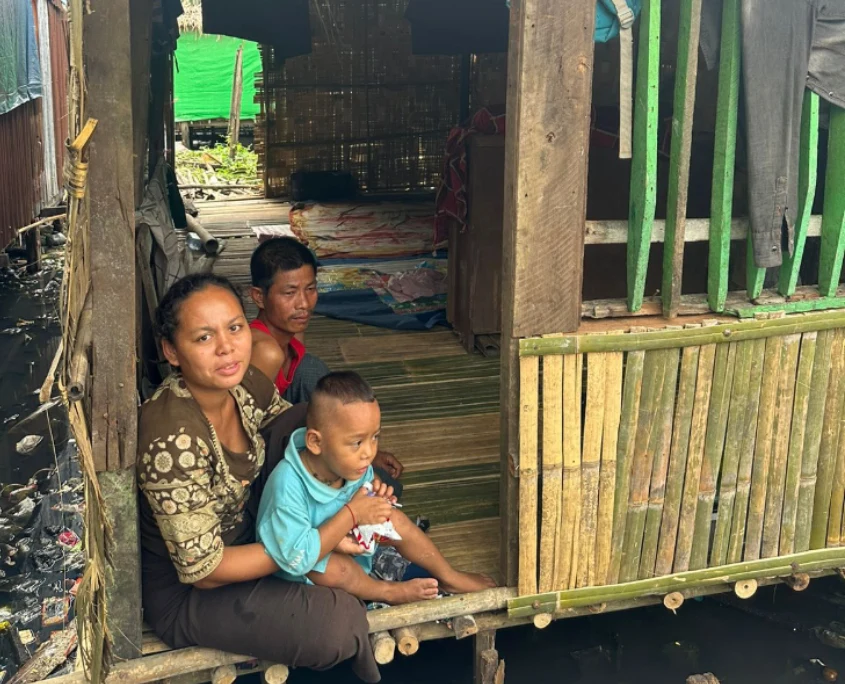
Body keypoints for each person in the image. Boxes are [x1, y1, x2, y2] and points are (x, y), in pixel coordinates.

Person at [137, 273, 380, 683]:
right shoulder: (171, 441)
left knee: (316, 425)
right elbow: (205, 570)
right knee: (334, 625)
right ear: (171, 351)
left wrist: (358, 468)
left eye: (234, 328)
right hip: (193, 590)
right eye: (203, 338)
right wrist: (317, 537)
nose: (226, 347)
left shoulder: (242, 381)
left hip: (251, 528)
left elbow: (295, 431)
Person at [256, 371, 496, 605]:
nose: (369, 452)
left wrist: (377, 500)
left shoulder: (351, 466)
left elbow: (364, 498)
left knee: (396, 520)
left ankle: (450, 577)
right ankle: (386, 591)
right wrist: (353, 514)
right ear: (316, 442)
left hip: (344, 544)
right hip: (300, 572)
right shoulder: (287, 484)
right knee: (335, 569)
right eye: (357, 442)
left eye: (375, 437)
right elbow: (297, 558)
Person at [248, 236, 404, 490]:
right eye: (289, 292)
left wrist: (365, 452)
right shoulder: (262, 350)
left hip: (289, 431)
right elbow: (245, 438)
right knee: (383, 488)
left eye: (310, 289)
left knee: (312, 371)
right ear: (258, 296)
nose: (303, 303)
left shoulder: (292, 332)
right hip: (258, 461)